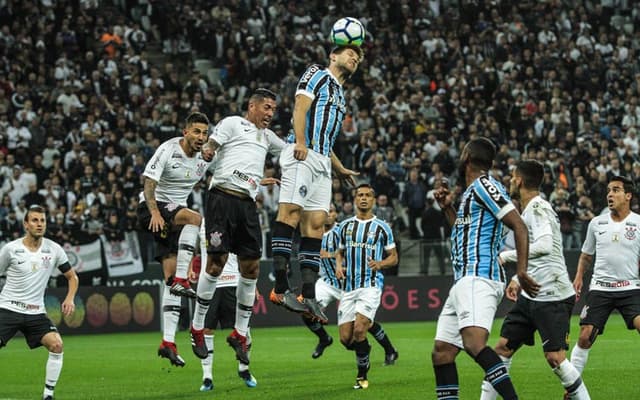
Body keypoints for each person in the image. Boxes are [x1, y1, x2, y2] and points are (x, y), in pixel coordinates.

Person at [431, 137, 540, 400]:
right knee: (442, 351)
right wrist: (448, 209)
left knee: (474, 344)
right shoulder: (470, 192)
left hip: (479, 276)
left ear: (466, 155)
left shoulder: (484, 186)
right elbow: (464, 230)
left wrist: (521, 270)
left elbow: (519, 225)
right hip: (463, 280)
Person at [190, 88, 285, 368]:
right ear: (252, 106)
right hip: (222, 198)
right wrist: (208, 151)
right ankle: (197, 328)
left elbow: (291, 150)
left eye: (273, 109)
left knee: (252, 267)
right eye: (266, 107)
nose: (270, 113)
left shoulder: (267, 137)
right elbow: (213, 145)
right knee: (216, 264)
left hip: (247, 206)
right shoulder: (233, 123)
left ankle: (240, 334)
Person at [480, 160, 590, 400]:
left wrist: (505, 257)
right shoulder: (528, 210)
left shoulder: (538, 208)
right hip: (531, 295)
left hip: (552, 295)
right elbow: (538, 253)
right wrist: (519, 280)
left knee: (555, 358)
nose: (509, 180)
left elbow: (544, 245)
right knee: (502, 349)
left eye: (511, 177)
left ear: (519, 180)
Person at [269, 44, 362, 324]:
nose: (355, 57)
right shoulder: (316, 73)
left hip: (322, 160)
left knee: (316, 225)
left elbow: (327, 138)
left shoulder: (341, 95)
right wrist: (299, 141)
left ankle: (307, 294)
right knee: (290, 214)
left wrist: (340, 167)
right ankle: (280, 288)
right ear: (333, 56)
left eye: (358, 56)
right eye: (349, 52)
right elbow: (300, 107)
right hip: (303, 152)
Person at [136, 111, 212, 367]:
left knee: (169, 282)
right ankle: (182, 278)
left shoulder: (206, 157)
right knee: (196, 219)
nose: (201, 137)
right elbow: (148, 181)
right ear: (185, 131)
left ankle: (167, 342)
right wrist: (155, 211)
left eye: (205, 133)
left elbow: (226, 172)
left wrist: (255, 183)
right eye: (197, 132)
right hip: (153, 207)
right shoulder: (168, 149)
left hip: (173, 215)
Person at [302, 203, 399, 365]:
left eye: (331, 211)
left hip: (350, 282)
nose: (328, 215)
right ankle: (324, 338)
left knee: (364, 324)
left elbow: (354, 254)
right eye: (325, 211)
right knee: (306, 311)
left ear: (336, 214)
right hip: (327, 282)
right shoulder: (314, 233)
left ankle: (389, 350)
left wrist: (331, 256)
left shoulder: (346, 229)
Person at [0, 205, 79, 400]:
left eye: (42, 220)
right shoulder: (11, 249)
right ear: (26, 224)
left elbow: (72, 277)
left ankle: (48, 395)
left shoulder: (54, 249)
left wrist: (69, 298)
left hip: (36, 312)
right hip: (9, 308)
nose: (39, 224)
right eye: (35, 220)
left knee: (57, 345)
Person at [570, 175, 640, 377]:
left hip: (631, 288)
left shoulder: (638, 223)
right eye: (609, 190)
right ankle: (572, 386)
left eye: (616, 190)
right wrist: (578, 277)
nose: (610, 194)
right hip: (601, 288)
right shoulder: (596, 223)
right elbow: (586, 255)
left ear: (628, 195)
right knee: (584, 337)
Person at [334, 184, 398, 389]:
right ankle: (365, 350)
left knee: (360, 329)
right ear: (354, 199)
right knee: (346, 339)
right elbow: (340, 251)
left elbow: (394, 258)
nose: (363, 198)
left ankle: (362, 377)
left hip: (371, 285)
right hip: (349, 287)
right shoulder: (344, 226)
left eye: (367, 196)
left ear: (373, 200)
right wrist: (338, 265)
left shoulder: (382, 227)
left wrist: (380, 264)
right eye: (359, 195)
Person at [196, 251, 257, 392]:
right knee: (206, 330)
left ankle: (244, 369)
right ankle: (207, 377)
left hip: (234, 282)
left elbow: (243, 256)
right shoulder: (201, 228)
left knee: (244, 330)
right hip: (210, 283)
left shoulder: (235, 229)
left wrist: (252, 285)